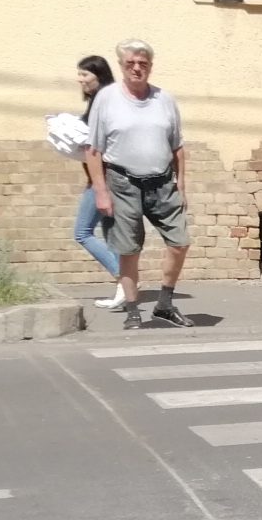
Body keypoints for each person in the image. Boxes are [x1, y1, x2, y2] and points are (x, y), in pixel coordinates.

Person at [86, 39, 191, 328]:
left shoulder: (164, 99)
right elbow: (93, 150)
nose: (136, 68)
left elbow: (177, 147)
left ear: (150, 67)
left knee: (180, 242)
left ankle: (165, 304)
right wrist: (100, 191)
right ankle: (133, 310)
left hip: (162, 183)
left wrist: (181, 184)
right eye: (130, 63)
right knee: (129, 249)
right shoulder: (106, 98)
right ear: (121, 65)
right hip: (123, 183)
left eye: (143, 64)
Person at [45, 55, 127, 311]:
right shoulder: (100, 103)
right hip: (104, 179)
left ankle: (124, 279)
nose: (79, 79)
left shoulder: (104, 104)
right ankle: (124, 288)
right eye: (79, 74)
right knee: (112, 235)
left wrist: (97, 184)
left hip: (105, 180)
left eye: (85, 75)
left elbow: (97, 148)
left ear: (99, 76)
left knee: (82, 232)